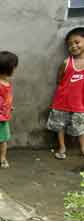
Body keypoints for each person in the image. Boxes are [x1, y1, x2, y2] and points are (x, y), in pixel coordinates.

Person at [48, 27, 84, 159]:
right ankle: (62, 147)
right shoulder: (66, 63)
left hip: (79, 104)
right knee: (60, 126)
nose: (73, 46)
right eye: (70, 44)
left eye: (77, 42)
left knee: (80, 127)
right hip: (62, 102)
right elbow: (59, 79)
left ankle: (82, 147)